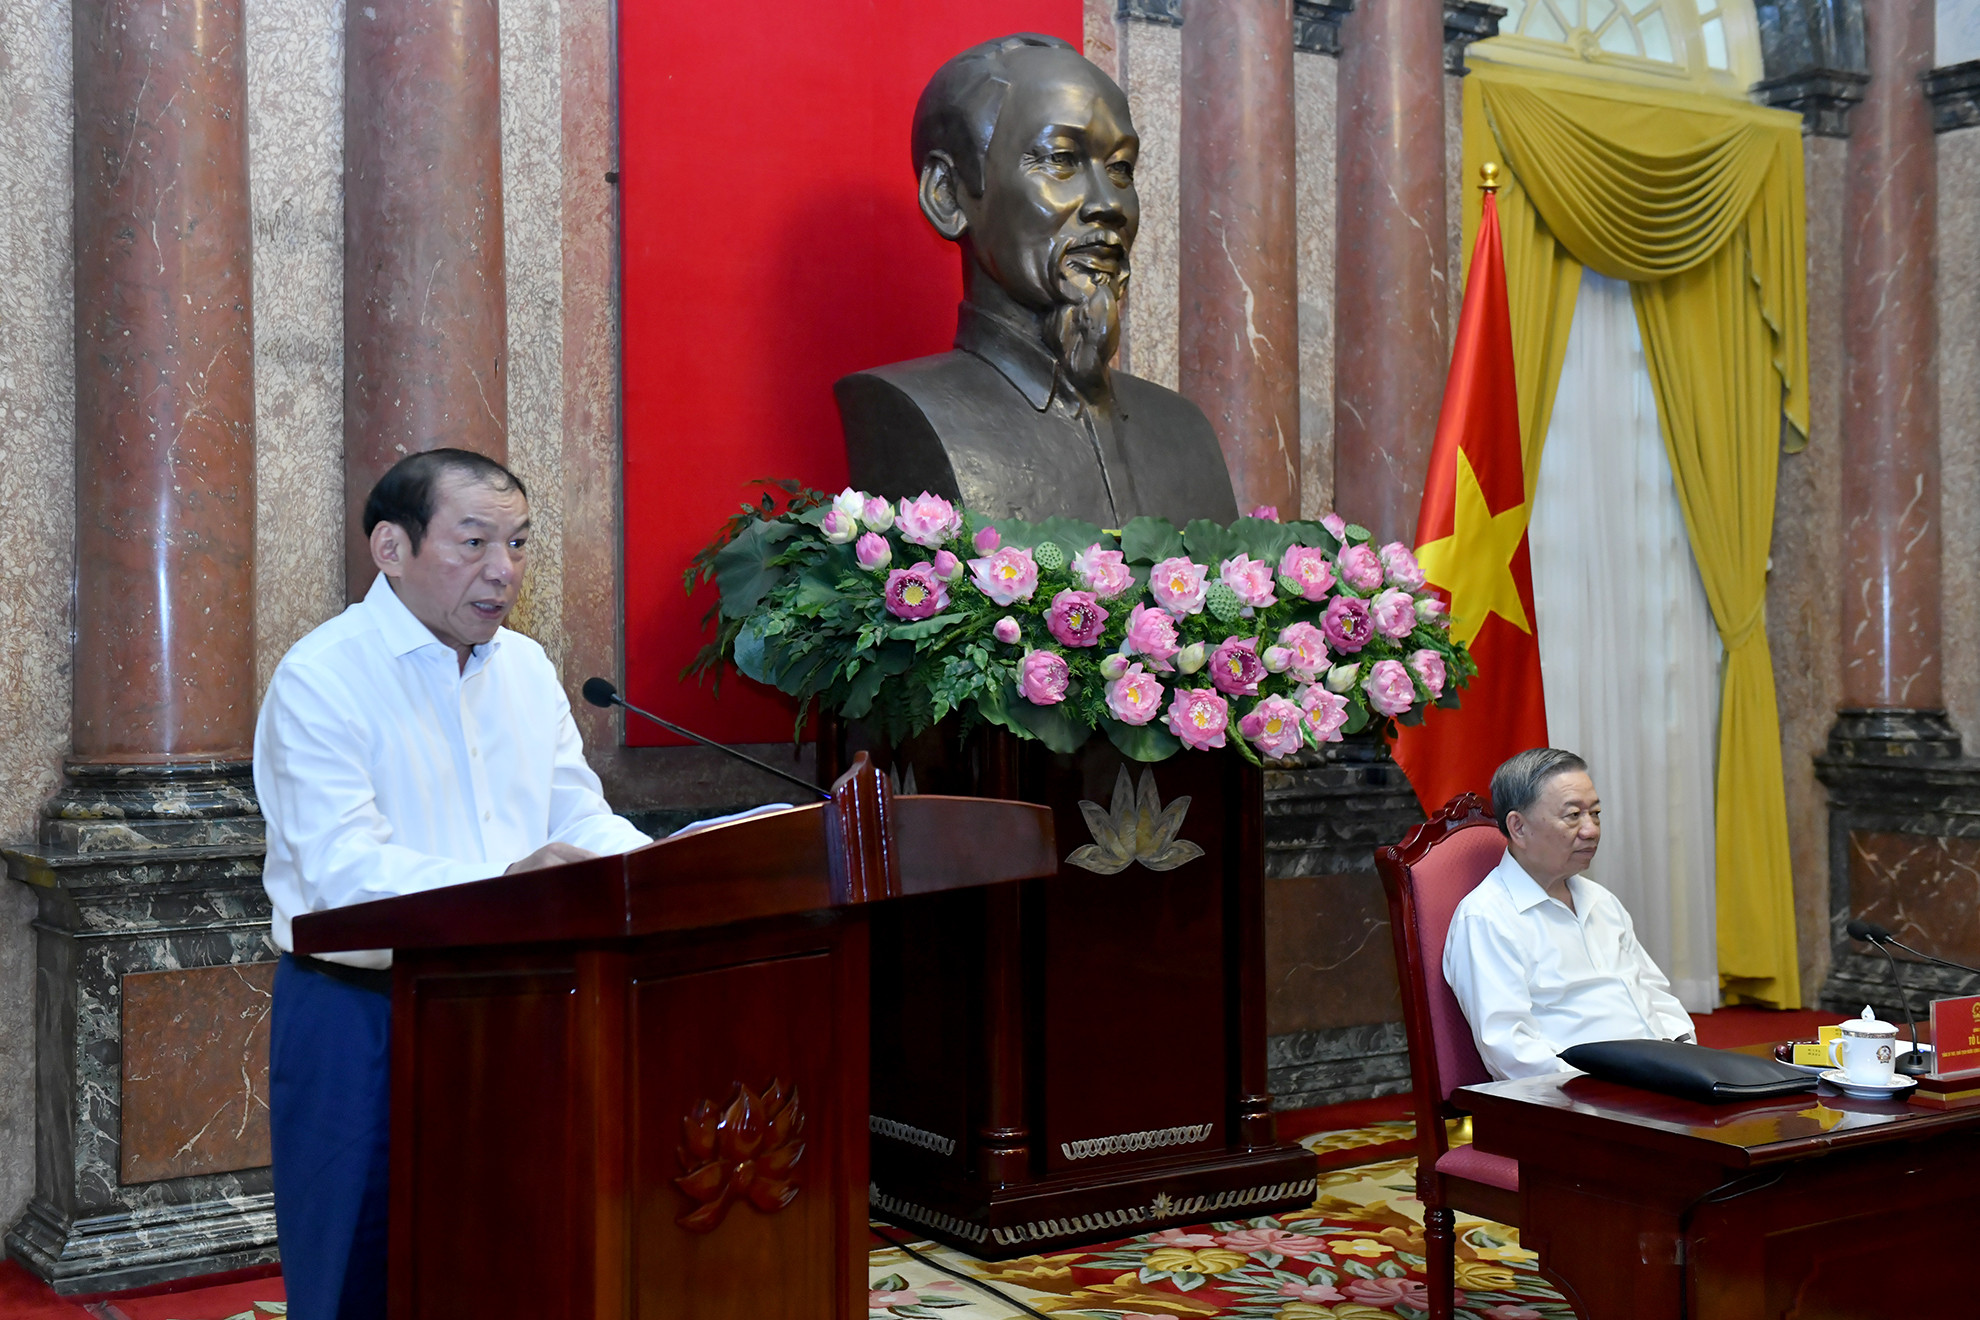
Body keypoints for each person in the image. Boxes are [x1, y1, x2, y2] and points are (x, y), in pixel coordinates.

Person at [255, 449, 652, 1319]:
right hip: (366, 1015)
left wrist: (645, 867)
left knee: (514, 1252)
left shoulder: (527, 668)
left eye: (516, 543)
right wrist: (509, 882)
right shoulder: (323, 677)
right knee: (363, 1271)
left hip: (524, 1004)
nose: (502, 571)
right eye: (473, 543)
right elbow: (341, 874)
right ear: (391, 548)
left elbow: (573, 816)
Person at [835, 32, 1237, 527]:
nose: (1108, 204)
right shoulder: (901, 411)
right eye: (1061, 159)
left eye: (1120, 168)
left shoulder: (1184, 429)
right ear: (949, 196)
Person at [1443, 747, 1696, 1080]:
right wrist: (1603, 1088)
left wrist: (1687, 1055)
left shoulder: (1601, 901)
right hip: (1584, 1100)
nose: (1591, 830)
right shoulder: (1486, 919)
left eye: (1595, 813)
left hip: (1662, 1079)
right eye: (1573, 815)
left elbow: (1655, 994)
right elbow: (1511, 1051)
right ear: (1518, 827)